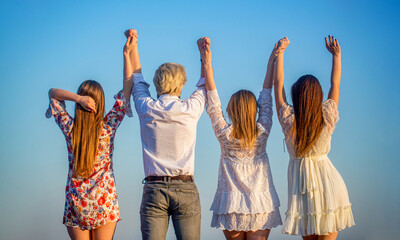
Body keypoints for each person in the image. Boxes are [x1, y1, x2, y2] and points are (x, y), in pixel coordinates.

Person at [45, 35, 135, 240]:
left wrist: (77, 98)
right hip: (104, 204)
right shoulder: (107, 129)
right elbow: (128, 87)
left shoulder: (71, 129)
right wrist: (126, 54)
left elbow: (52, 93)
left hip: (76, 205)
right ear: (101, 102)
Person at [124, 29, 206, 240]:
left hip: (154, 188)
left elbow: (137, 78)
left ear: (158, 83)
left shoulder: (146, 107)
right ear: (180, 85)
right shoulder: (190, 109)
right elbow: (205, 83)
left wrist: (133, 45)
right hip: (185, 187)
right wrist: (204, 55)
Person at [198, 36, 282, 240]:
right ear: (254, 110)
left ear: (232, 110)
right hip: (260, 204)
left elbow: (212, 97)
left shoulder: (224, 134)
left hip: (231, 205)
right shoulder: (263, 132)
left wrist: (205, 59)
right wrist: (274, 57)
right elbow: (267, 92)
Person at [273, 36, 355, 240]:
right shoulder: (326, 117)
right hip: (329, 187)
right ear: (318, 96)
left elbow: (278, 84)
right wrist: (337, 56)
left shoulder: (289, 121)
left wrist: (280, 54)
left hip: (302, 194)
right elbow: (334, 85)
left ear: (295, 95)